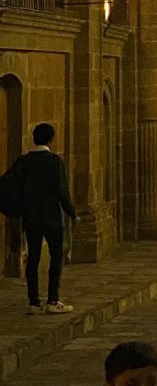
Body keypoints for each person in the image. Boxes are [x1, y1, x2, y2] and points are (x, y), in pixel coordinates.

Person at [15, 122, 77, 315]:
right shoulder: (54, 161)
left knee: (33, 257)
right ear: (51, 139)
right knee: (56, 257)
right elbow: (61, 191)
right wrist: (72, 213)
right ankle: (52, 299)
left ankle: (33, 301)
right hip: (51, 217)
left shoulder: (24, 162)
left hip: (31, 217)